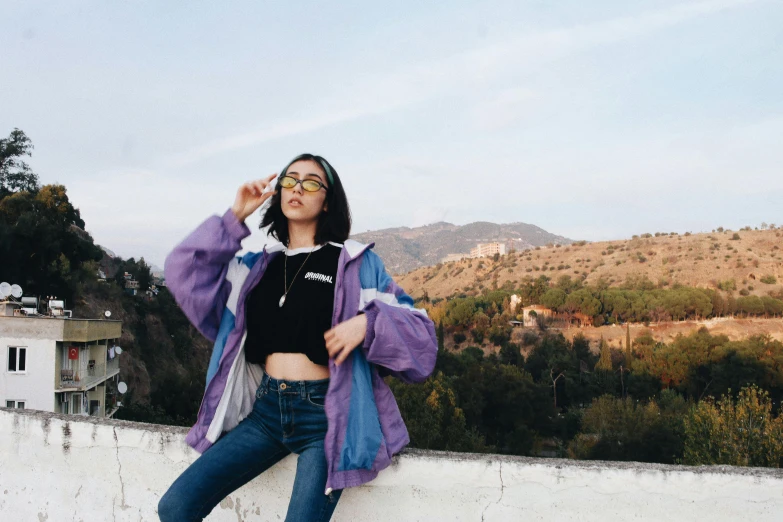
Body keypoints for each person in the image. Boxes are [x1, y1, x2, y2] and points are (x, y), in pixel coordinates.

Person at [158, 153, 438, 521]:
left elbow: (422, 335)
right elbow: (183, 272)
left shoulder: (353, 264)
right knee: (176, 507)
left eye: (311, 182)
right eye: (290, 180)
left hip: (326, 419)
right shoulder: (257, 267)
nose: (297, 189)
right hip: (266, 412)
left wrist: (368, 324)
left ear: (327, 201)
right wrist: (235, 216)